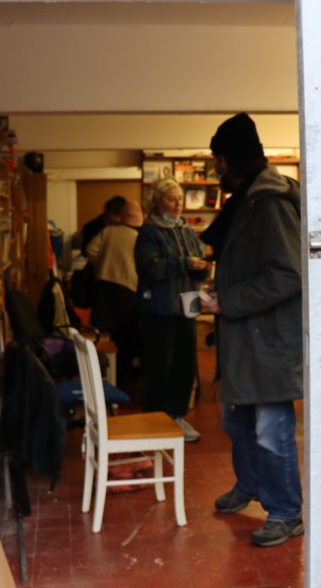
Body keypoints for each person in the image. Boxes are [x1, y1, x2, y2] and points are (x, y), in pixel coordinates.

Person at [199, 112, 304, 548]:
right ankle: (250, 485)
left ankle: (285, 512)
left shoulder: (269, 203)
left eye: (219, 161)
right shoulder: (246, 200)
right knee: (235, 418)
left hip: (268, 340)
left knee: (270, 429)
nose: (216, 169)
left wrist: (228, 300)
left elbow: (288, 273)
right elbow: (250, 263)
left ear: (231, 159)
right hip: (247, 337)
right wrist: (220, 288)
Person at [135, 178, 209, 442]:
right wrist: (184, 263)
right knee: (160, 367)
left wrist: (203, 267)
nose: (178, 204)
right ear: (158, 202)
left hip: (187, 305)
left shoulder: (185, 228)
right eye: (171, 199)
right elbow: (149, 267)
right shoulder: (149, 231)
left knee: (185, 366)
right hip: (160, 308)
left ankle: (177, 417)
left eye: (180, 198)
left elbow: (198, 259)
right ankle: (156, 421)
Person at [85, 201, 144, 384]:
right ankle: (123, 373)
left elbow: (90, 250)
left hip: (104, 287)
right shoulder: (139, 237)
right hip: (129, 288)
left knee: (108, 333)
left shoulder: (108, 231)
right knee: (128, 333)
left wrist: (102, 264)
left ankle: (108, 372)